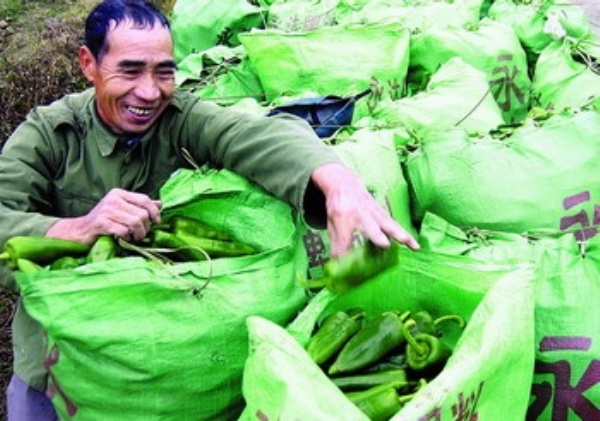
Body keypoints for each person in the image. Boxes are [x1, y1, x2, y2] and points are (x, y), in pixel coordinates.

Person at [0, 0, 420, 419]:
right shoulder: (49, 134)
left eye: (164, 72)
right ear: (88, 64)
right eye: (130, 71)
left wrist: (338, 183)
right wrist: (79, 228)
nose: (149, 91)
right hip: (59, 357)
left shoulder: (179, 118)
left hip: (163, 350)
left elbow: (254, 136)